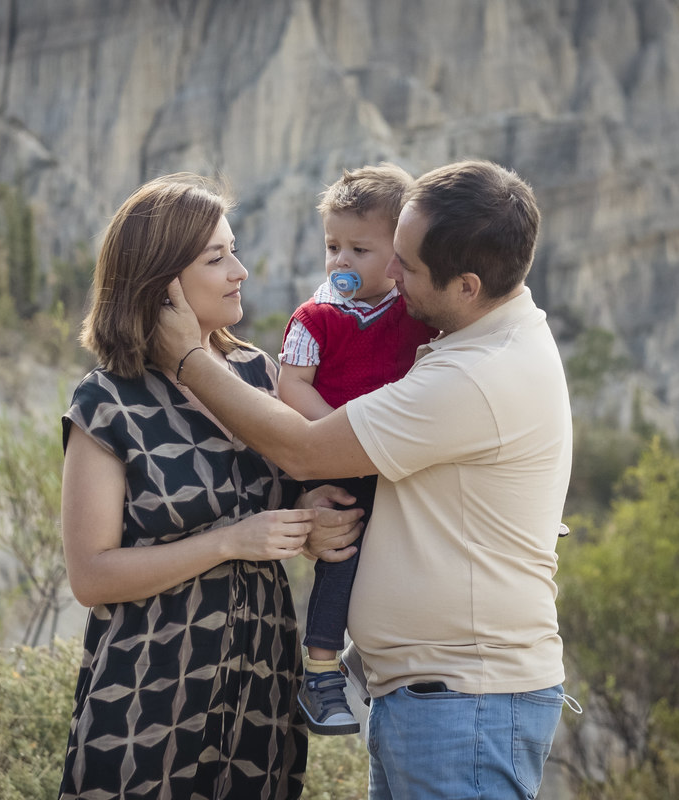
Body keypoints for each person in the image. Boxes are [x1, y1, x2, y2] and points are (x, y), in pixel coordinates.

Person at [155, 159, 573, 800]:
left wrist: (187, 356)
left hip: (463, 708)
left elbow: (305, 450)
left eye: (405, 264)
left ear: (466, 285)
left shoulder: (472, 376)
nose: (390, 275)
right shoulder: (485, 339)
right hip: (439, 701)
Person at [58, 173, 362, 800]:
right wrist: (229, 541)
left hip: (262, 688)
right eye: (216, 258)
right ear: (160, 281)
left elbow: (280, 501)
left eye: (235, 250)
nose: (241, 271)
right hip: (147, 693)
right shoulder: (109, 398)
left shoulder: (257, 373)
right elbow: (91, 575)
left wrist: (308, 518)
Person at [278, 163, 436, 736]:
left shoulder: (413, 312)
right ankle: (320, 675)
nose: (340, 260)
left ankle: (368, 657)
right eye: (332, 246)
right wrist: (342, 432)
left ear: (398, 255)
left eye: (358, 249)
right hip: (333, 456)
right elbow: (290, 386)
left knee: (401, 554)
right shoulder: (316, 318)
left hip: (391, 457)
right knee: (340, 558)